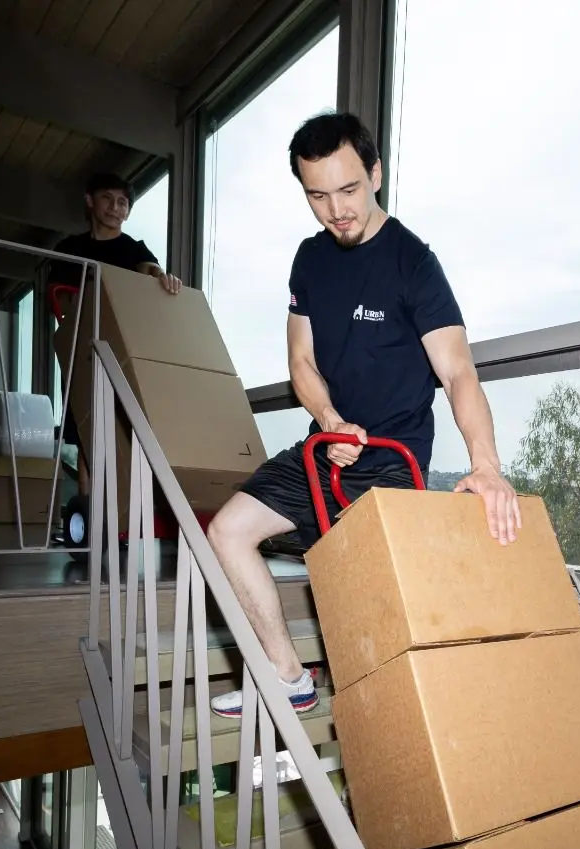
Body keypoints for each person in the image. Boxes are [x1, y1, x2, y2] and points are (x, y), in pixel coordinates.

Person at [206, 111, 520, 718]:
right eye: (317, 196)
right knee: (227, 532)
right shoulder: (310, 258)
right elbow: (301, 361)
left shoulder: (413, 263)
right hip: (325, 447)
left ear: (375, 173)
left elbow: (457, 372)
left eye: (348, 190)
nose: (336, 210)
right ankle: (286, 675)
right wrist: (328, 420)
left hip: (391, 466)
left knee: (370, 617)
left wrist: (486, 464)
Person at [51, 172, 181, 496]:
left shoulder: (132, 249)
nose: (115, 207)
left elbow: (148, 269)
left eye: (123, 202)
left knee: (124, 426)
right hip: (83, 348)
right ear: (90, 200)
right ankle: (89, 512)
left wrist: (162, 276)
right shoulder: (70, 247)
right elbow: (61, 300)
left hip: (121, 350)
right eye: (107, 198)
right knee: (84, 431)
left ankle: (124, 511)